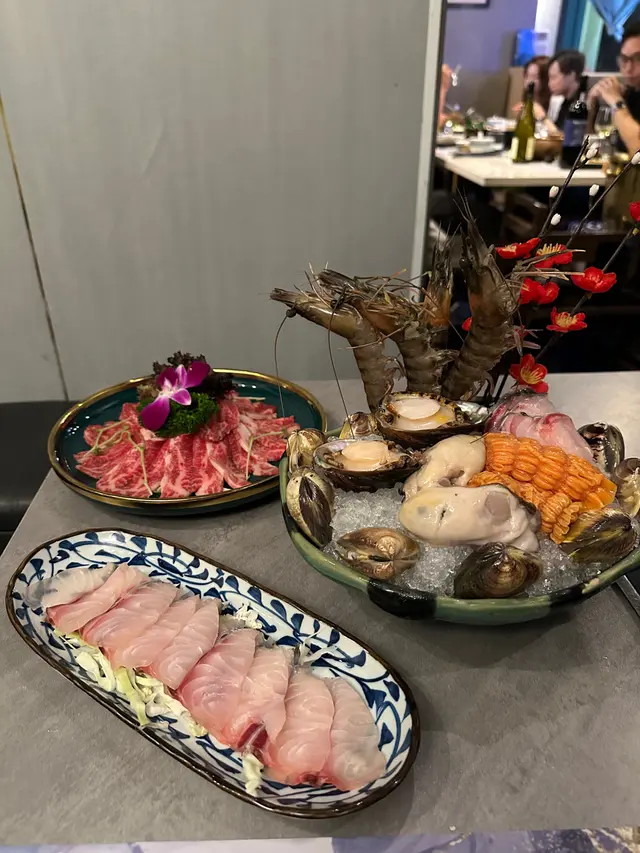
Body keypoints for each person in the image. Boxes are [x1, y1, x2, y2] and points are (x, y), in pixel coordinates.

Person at [588, 22, 640, 156]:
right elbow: (588, 145)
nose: (628, 68)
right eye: (624, 59)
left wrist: (617, 102)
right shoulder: (631, 93)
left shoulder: (621, 100)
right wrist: (592, 104)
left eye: (638, 59)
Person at [536, 49, 586, 134]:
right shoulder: (566, 101)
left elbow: (565, 138)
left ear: (571, 75)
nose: (549, 83)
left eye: (553, 77)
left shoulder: (582, 102)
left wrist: (542, 117)